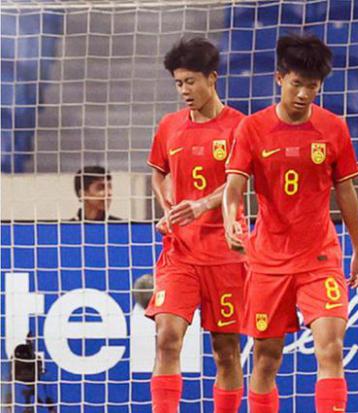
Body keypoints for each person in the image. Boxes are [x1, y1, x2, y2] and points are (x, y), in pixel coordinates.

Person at [223, 33, 358, 413]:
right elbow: (233, 186)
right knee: (266, 359)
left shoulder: (334, 128)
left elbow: (346, 192)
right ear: (279, 78)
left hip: (319, 257)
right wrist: (231, 221)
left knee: (331, 349)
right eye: (296, 84)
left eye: (312, 86)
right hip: (268, 259)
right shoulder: (252, 128)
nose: (303, 94)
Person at [145, 37, 247, 413]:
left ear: (212, 78)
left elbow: (239, 180)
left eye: (191, 81)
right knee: (167, 338)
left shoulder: (240, 126)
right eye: (178, 83)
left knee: (226, 350)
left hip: (226, 253)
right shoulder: (169, 126)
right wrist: (168, 207)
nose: (184, 90)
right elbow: (158, 173)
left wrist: (202, 205)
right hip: (181, 253)